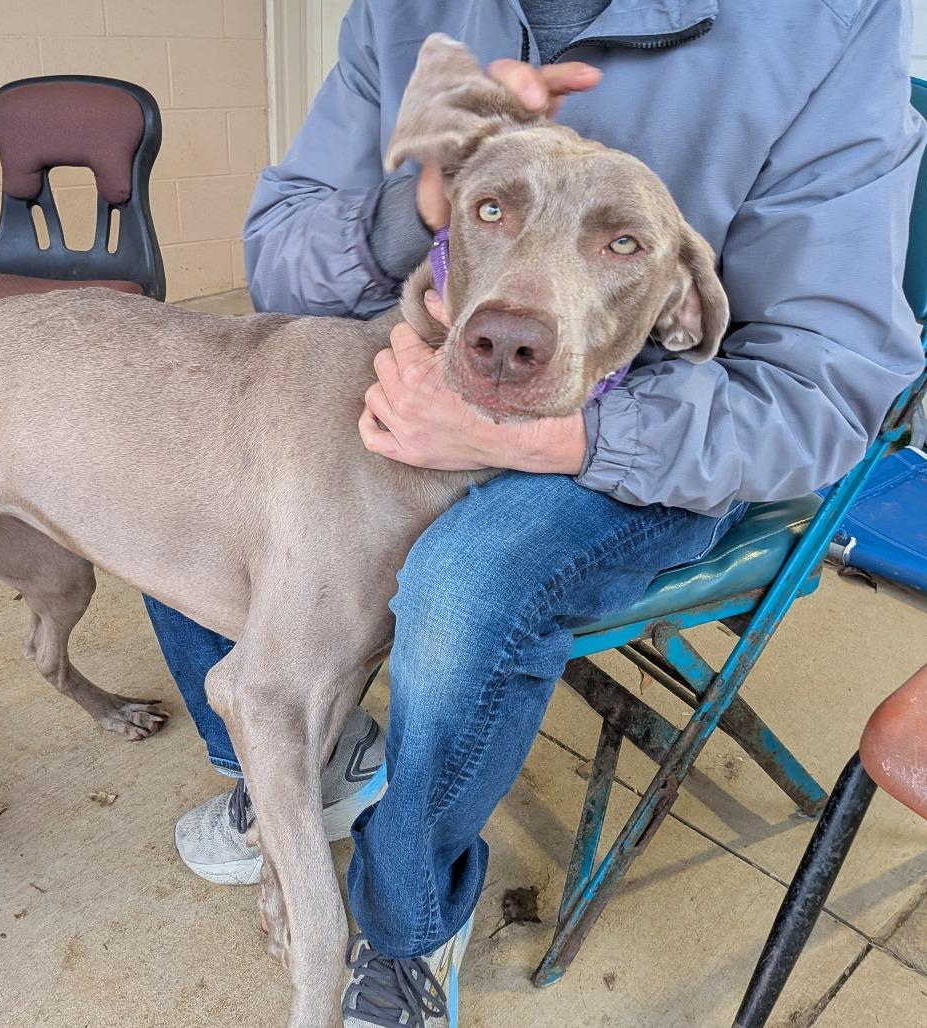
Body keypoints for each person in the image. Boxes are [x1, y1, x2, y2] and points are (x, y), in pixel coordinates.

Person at [145, 1, 925, 1024]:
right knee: (181, 437)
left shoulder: (827, 26)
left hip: (665, 429)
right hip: (418, 353)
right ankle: (303, 754)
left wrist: (541, 438)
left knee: (466, 583)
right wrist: (416, 203)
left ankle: (406, 918)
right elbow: (279, 259)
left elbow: (819, 394)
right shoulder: (404, 10)